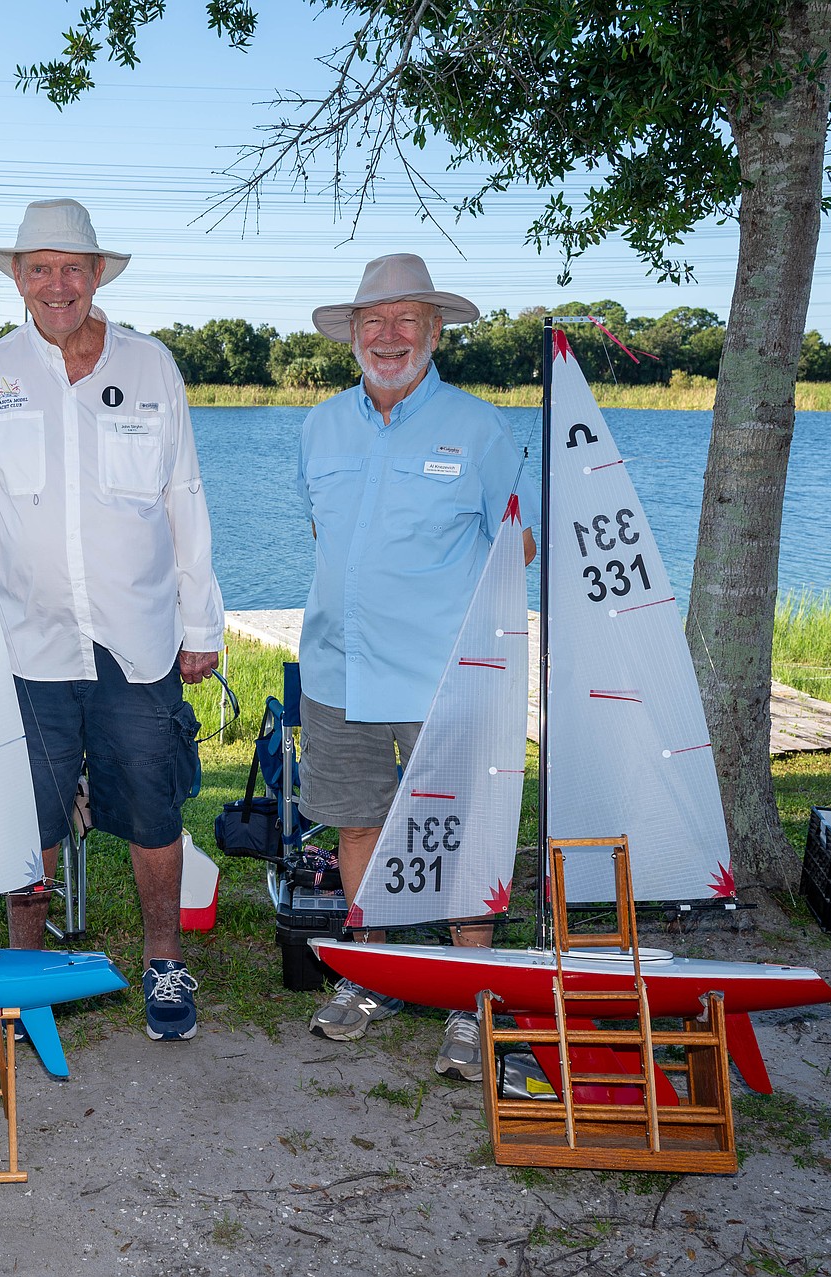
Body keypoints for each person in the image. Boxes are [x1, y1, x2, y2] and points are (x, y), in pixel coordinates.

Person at [0, 198, 225, 1042]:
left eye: (73, 268)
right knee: (29, 816)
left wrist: (200, 622)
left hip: (136, 640)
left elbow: (185, 498)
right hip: (23, 641)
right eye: (40, 270)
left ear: (98, 275)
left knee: (152, 809)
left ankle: (164, 961)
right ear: (18, 280)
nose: (57, 285)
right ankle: (28, 975)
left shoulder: (152, 367)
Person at [295, 254, 533, 1080]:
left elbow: (523, 541)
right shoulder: (319, 426)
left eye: (407, 320)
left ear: (436, 331)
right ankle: (372, 975)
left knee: (461, 833)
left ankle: (474, 999)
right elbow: (328, 537)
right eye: (373, 321)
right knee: (358, 824)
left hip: (444, 677)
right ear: (351, 335)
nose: (388, 336)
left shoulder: (480, 429)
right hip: (337, 671)